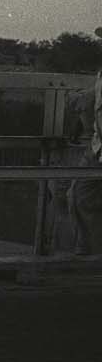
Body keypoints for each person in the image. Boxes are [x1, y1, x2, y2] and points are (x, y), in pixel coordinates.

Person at [72, 67, 102, 256]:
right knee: (77, 194)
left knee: (80, 194)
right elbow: (95, 99)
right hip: (97, 148)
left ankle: (89, 253)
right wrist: (79, 120)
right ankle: (88, 252)